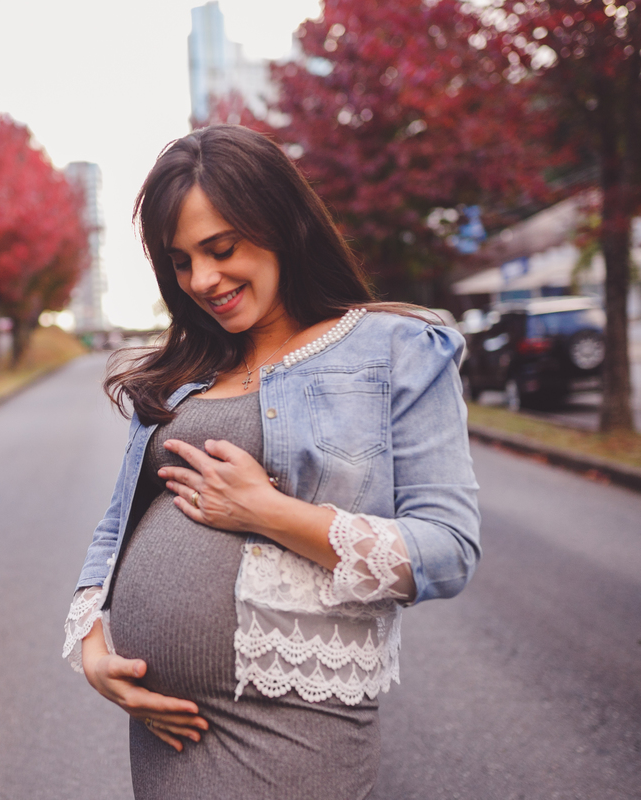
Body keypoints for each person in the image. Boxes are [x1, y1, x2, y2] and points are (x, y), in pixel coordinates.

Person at [62, 125, 480, 799]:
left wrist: (266, 511)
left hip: (294, 728)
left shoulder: (399, 348)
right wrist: (91, 647)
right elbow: (116, 525)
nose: (202, 280)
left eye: (221, 249)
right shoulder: (181, 374)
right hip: (165, 734)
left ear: (281, 223)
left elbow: (449, 548)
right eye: (180, 261)